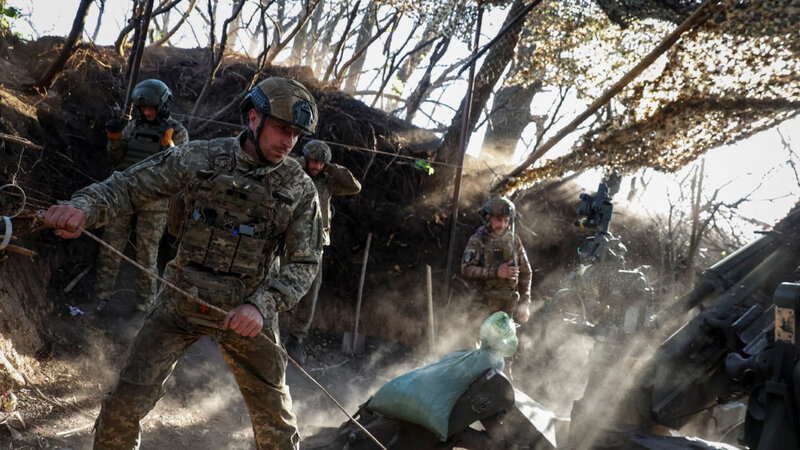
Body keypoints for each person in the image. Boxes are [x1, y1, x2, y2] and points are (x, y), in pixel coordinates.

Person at [44, 76, 323, 449]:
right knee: (123, 407)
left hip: (248, 315)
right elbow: (129, 185)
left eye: (296, 135)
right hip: (180, 302)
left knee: (277, 427)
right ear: (254, 119)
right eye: (283, 128)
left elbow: (305, 261)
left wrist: (262, 306)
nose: (289, 142)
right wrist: (83, 207)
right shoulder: (200, 157)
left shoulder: (299, 189)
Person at [98, 78, 189, 312]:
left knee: (146, 256)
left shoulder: (177, 130)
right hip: (125, 194)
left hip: (155, 201)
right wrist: (114, 138)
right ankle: (101, 298)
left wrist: (168, 144)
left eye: (152, 108)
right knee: (110, 247)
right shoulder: (133, 126)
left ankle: (144, 307)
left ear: (163, 106)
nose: (148, 113)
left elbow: (181, 168)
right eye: (143, 108)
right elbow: (116, 160)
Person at [283, 140, 361, 364]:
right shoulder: (294, 173)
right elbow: (280, 167)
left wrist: (332, 168)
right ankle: (270, 329)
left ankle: (296, 340)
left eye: (320, 163)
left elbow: (355, 186)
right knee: (278, 280)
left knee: (310, 293)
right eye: (313, 162)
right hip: (288, 239)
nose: (316, 167)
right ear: (306, 159)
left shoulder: (328, 182)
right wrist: (300, 162)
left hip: (316, 244)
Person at [461, 196, 532, 327]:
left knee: (503, 346)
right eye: (499, 220)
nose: (503, 225)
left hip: (506, 310)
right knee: (476, 346)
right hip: (480, 309)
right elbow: (466, 270)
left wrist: (525, 303)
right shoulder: (478, 240)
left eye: (506, 221)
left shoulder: (514, 241)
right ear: (488, 218)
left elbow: (526, 273)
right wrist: (496, 272)